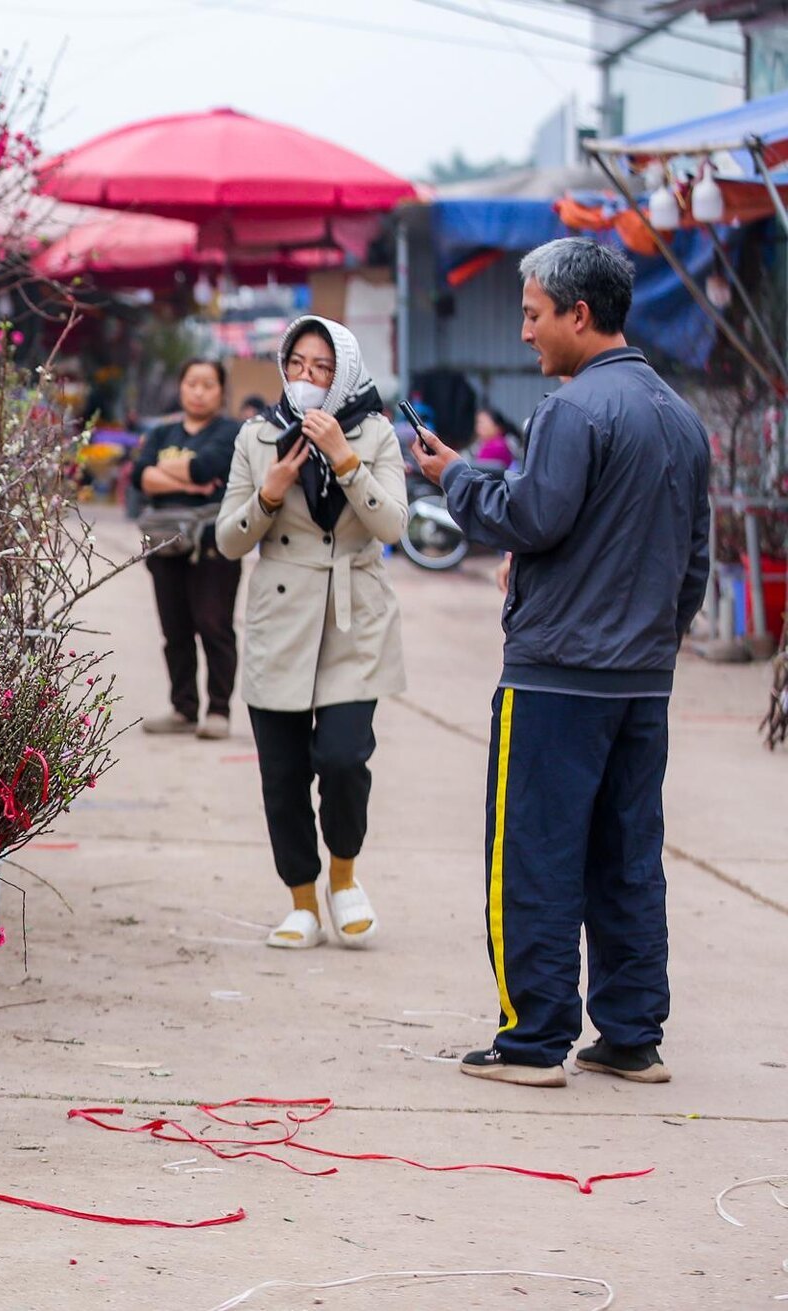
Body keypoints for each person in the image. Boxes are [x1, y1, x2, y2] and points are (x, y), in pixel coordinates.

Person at [413, 238, 710, 1088]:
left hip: (555, 677)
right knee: (626, 856)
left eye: (535, 315)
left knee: (535, 856)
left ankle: (534, 1038)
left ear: (581, 315)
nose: (525, 334)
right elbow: (693, 560)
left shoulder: (574, 410)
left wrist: (458, 475)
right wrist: (655, 642)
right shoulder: (679, 418)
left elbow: (533, 515)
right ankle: (630, 1035)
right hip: (641, 681)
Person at [216, 318, 409, 950]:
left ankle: (345, 878)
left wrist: (347, 461)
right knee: (283, 773)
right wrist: (268, 495)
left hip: (354, 618)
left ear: (344, 373)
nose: (305, 378)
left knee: (345, 758)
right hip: (281, 617)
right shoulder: (257, 436)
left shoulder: (376, 433)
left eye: (321, 368)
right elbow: (228, 539)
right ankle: (302, 899)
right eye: (296, 364)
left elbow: (392, 527)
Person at [131, 359, 241, 740]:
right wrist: (192, 479)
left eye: (207, 384)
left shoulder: (231, 431)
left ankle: (219, 710)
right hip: (165, 543)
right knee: (174, 629)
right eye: (192, 383)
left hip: (213, 544)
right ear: (180, 387)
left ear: (221, 391)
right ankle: (184, 708)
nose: (198, 391)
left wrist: (168, 471)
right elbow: (139, 476)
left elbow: (209, 465)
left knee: (214, 625)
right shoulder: (163, 432)